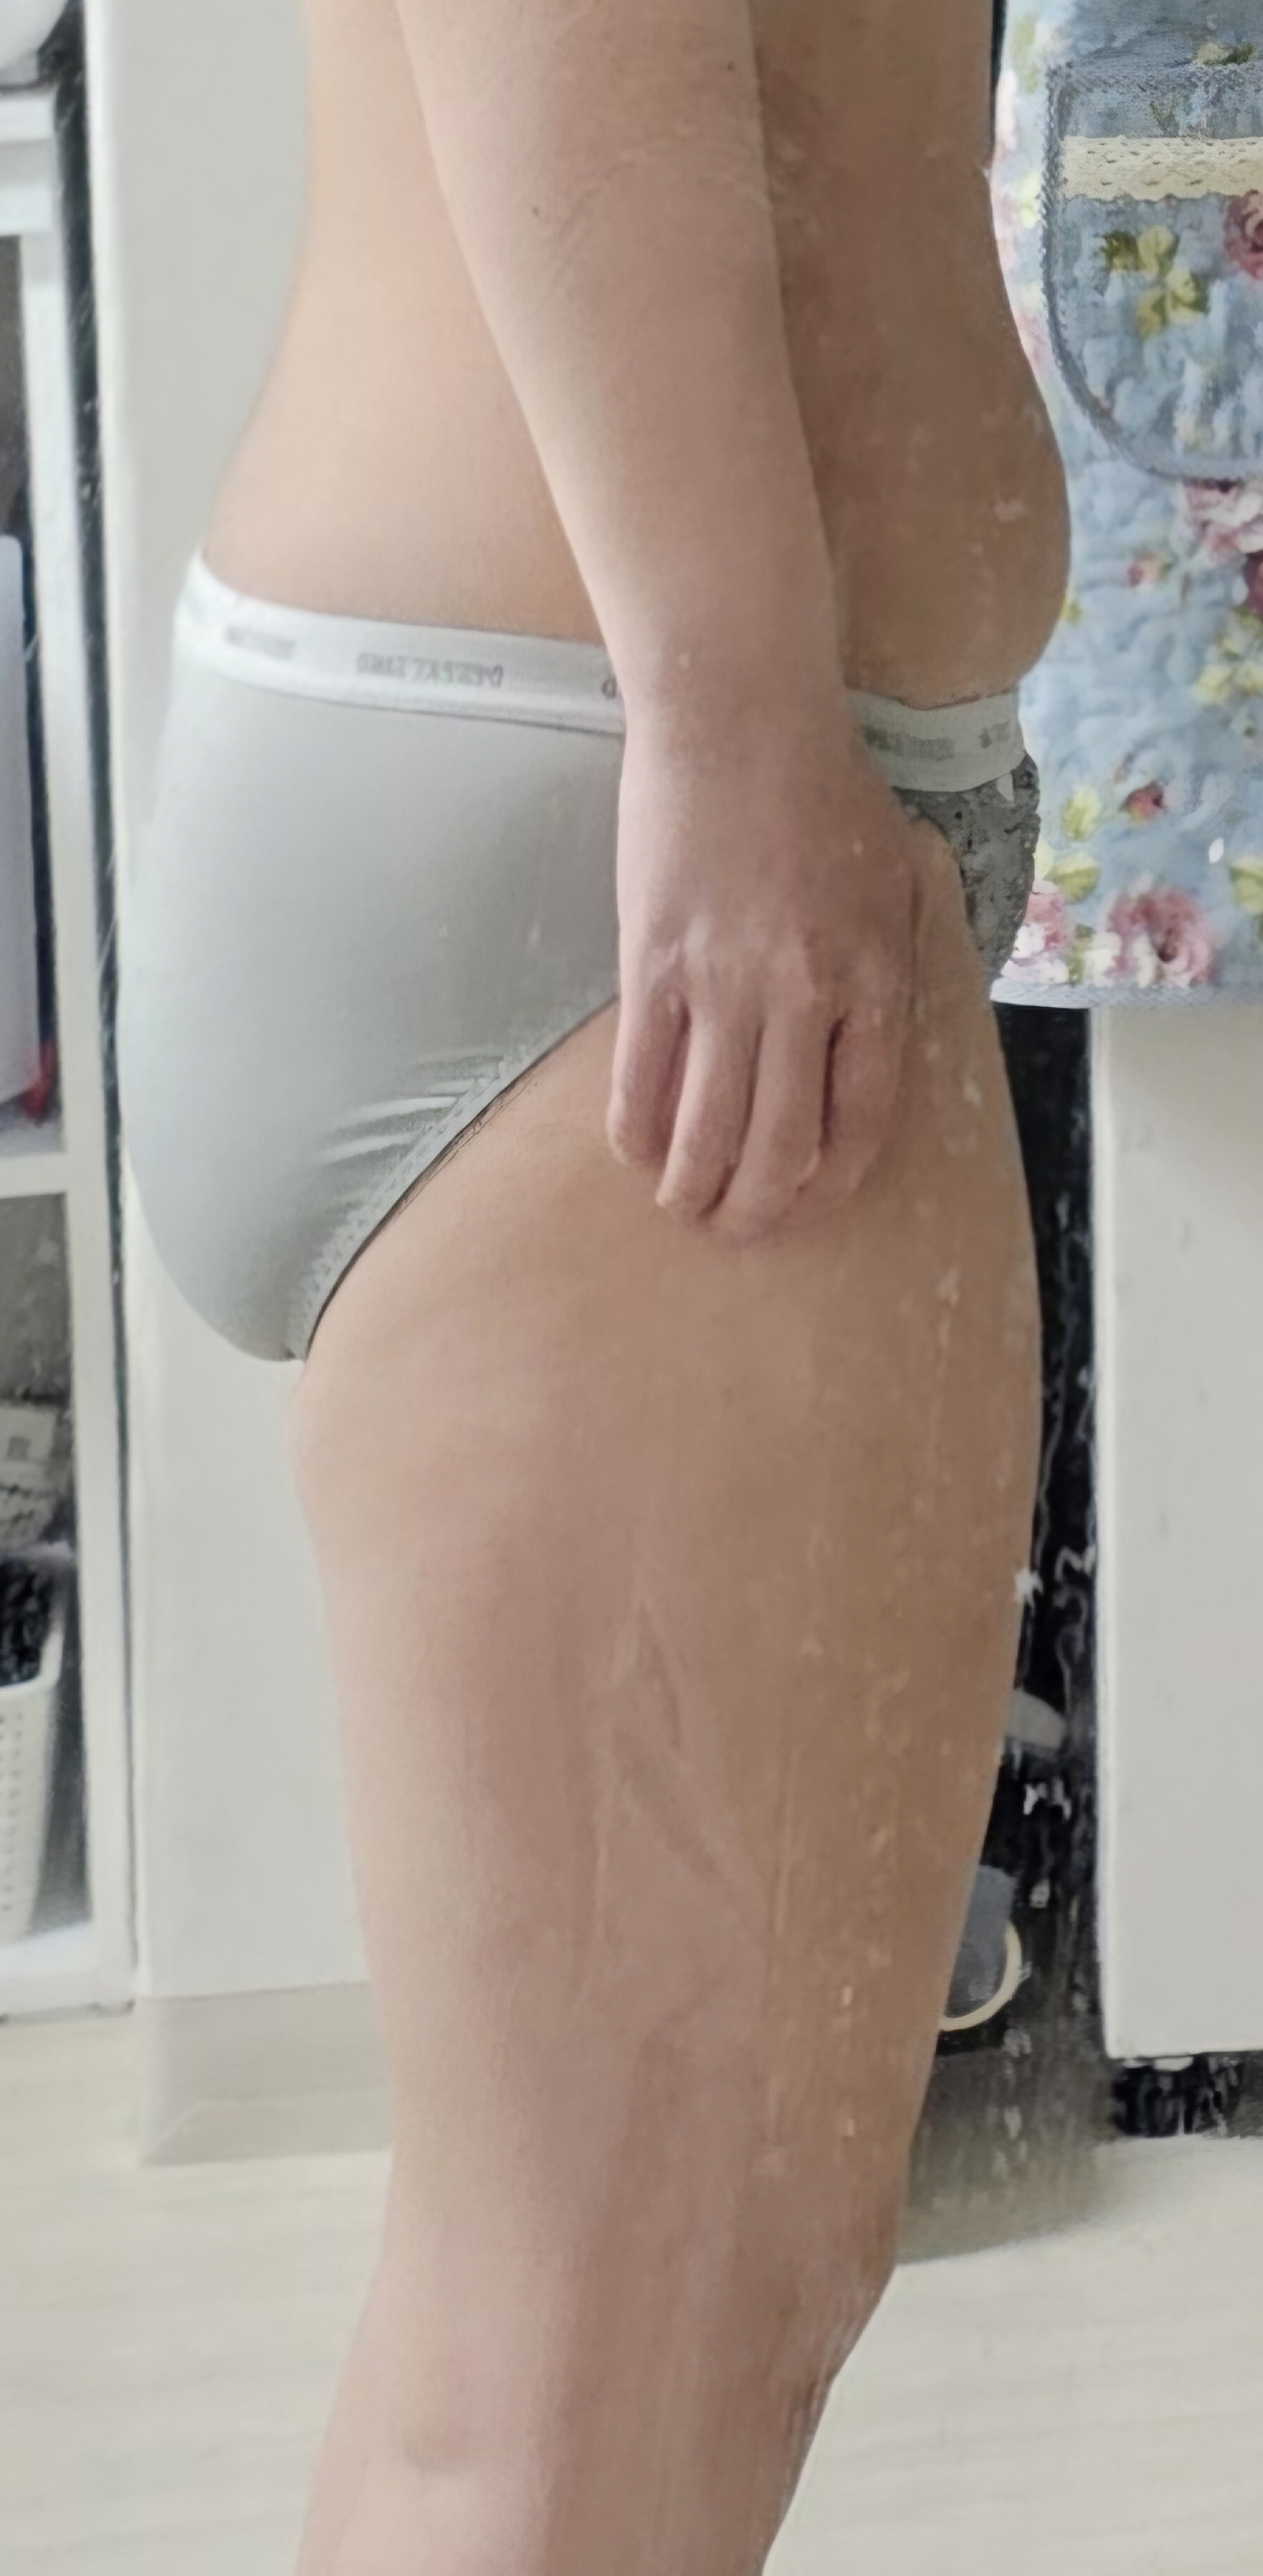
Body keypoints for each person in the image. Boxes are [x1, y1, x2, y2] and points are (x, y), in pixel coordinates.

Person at [117, 2, 1069, 2569]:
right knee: (604, 2356)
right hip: (627, 805)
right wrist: (734, 727)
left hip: (609, 771)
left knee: (594, 2337)